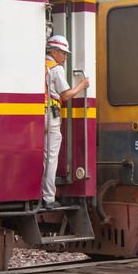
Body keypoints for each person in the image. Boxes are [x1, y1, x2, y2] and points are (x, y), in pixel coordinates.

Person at [43, 35, 89, 209]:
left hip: (37, 115)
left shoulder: (40, 65)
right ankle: (48, 197)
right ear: (54, 52)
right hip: (51, 116)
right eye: (63, 53)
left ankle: (37, 192)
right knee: (51, 158)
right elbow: (66, 95)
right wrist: (82, 85)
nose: (65, 57)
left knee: (40, 156)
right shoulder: (56, 69)